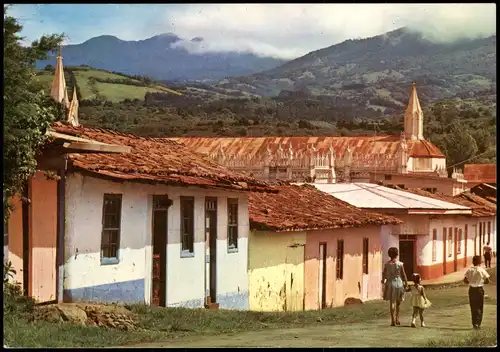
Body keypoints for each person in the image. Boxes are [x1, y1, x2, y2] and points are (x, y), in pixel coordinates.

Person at [382, 247, 409, 326]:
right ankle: (397, 318)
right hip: (399, 283)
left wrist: (383, 280)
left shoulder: (387, 264)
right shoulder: (400, 264)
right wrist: (406, 284)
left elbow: (384, 274)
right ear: (397, 254)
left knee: (392, 302)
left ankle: (392, 320)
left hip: (390, 284)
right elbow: (403, 275)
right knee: (398, 302)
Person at [464, 255, 491, 329]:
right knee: (479, 307)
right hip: (479, 289)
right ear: (480, 262)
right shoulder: (481, 270)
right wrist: (481, 282)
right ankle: (478, 323)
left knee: (473, 306)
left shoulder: (469, 270)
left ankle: (474, 323)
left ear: (473, 262)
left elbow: (465, 280)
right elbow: (488, 281)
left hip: (472, 289)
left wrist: (471, 282)